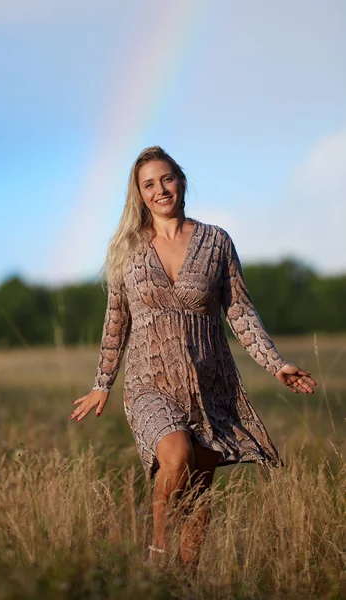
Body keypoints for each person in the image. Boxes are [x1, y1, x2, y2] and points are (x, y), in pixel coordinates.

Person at [70, 145, 317, 570]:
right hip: (149, 381)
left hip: (209, 381)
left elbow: (239, 310)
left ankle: (183, 583)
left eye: (167, 179)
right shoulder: (127, 248)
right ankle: (157, 555)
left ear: (181, 180)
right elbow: (116, 321)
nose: (160, 190)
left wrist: (276, 364)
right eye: (149, 184)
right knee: (177, 454)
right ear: (139, 194)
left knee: (200, 488)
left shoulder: (216, 241)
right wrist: (101, 382)